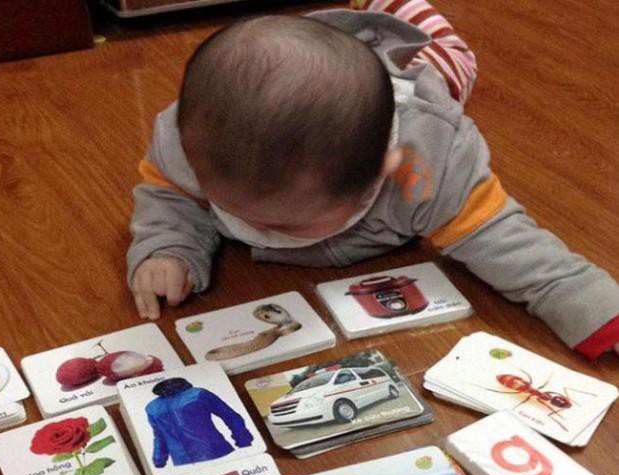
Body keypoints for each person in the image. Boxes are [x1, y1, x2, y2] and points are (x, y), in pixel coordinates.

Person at [127, 0, 619, 360]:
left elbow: (507, 241)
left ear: (381, 174)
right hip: (317, 82)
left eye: (293, 225)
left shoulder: (427, 164)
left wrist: (597, 311)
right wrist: (168, 248)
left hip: (421, 88)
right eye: (237, 214)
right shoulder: (194, 139)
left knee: (447, 59)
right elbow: (169, 195)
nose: (267, 234)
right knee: (303, 73)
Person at [146, 377, 254, 468]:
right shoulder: (198, 394)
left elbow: (159, 436)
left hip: (183, 462)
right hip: (214, 452)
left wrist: (159, 460)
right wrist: (244, 441)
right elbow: (231, 417)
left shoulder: (152, 407)